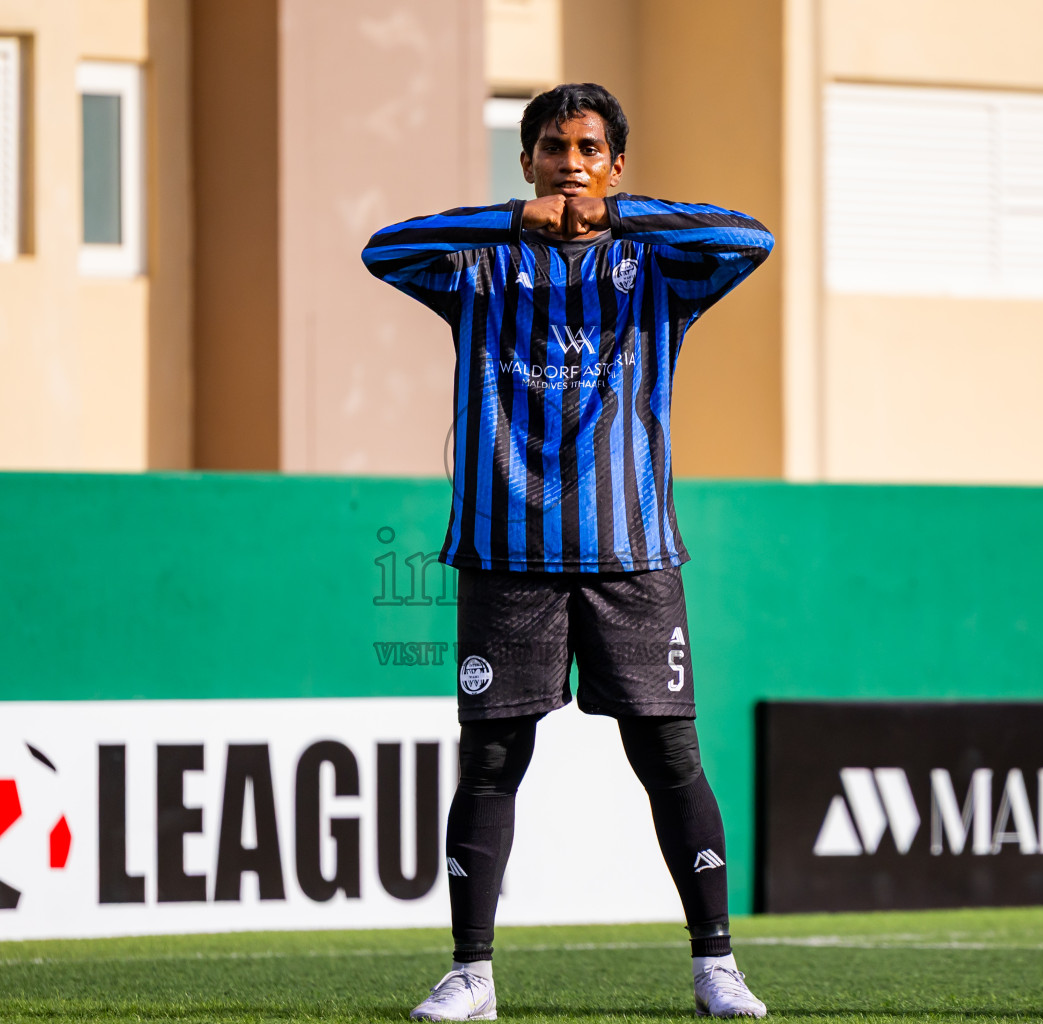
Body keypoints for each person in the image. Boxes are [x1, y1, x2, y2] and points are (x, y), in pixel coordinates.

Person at [362, 82, 773, 1021]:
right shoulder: (478, 265)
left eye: (590, 150)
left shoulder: (658, 265)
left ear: (616, 166)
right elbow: (383, 249)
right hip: (506, 559)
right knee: (490, 762)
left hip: (631, 557)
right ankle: (470, 974)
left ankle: (715, 965)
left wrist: (619, 217)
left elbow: (750, 239)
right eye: (554, 148)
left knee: (669, 757)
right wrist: (518, 220)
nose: (572, 164)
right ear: (528, 163)